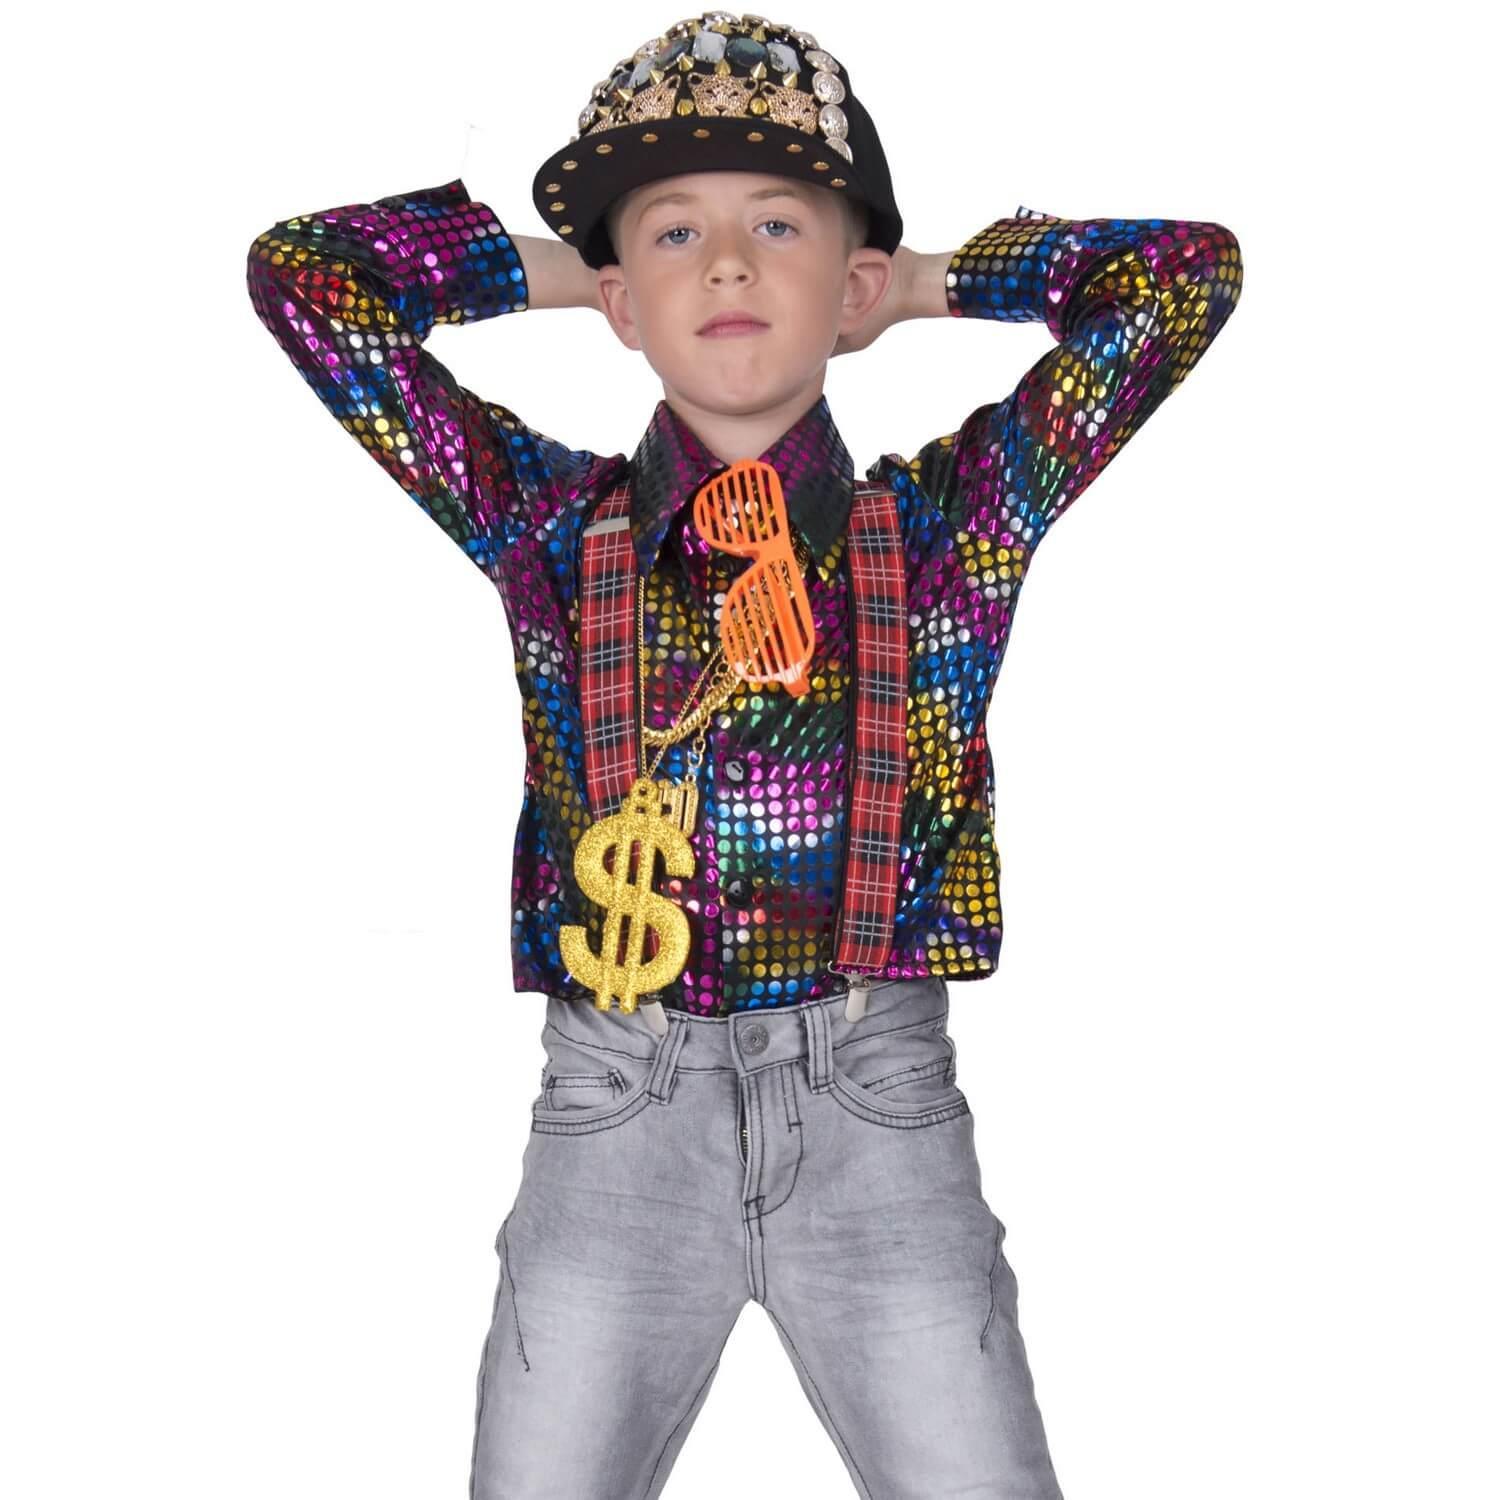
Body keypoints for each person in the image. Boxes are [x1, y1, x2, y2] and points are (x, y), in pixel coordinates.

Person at [245, 10, 1243, 1497]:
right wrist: (571, 272)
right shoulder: (545, 528)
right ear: (622, 300)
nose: (724, 266)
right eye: (673, 235)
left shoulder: (952, 526)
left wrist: (923, 281)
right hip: (616, 1115)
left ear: (849, 285)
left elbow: (1181, 280)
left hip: (878, 1108)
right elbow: (307, 280)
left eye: (777, 225)